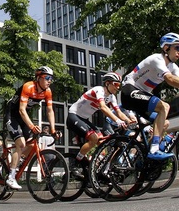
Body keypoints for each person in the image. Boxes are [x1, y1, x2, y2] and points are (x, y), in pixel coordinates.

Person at [121, 32, 179, 160]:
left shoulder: (173, 66)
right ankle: (154, 150)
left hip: (142, 96)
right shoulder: (156, 59)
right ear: (166, 48)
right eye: (177, 48)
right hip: (129, 91)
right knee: (164, 106)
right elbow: (170, 79)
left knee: (165, 123)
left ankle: (145, 158)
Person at [3, 66, 61, 190]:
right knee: (21, 143)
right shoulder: (28, 87)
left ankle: (16, 162)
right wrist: (31, 126)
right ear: (39, 78)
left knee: (31, 144)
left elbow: (50, 111)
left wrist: (53, 130)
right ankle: (11, 177)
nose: (50, 81)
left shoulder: (47, 91)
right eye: (47, 78)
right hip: (12, 114)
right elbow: (21, 110)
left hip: (23, 116)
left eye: (51, 78)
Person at [66, 72, 131, 178]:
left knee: (101, 141)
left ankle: (95, 166)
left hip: (84, 119)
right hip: (74, 116)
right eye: (116, 84)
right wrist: (117, 121)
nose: (117, 88)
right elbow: (103, 108)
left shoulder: (111, 97)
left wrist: (129, 121)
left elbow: (119, 112)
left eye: (119, 85)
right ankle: (75, 165)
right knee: (93, 138)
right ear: (107, 83)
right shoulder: (99, 90)